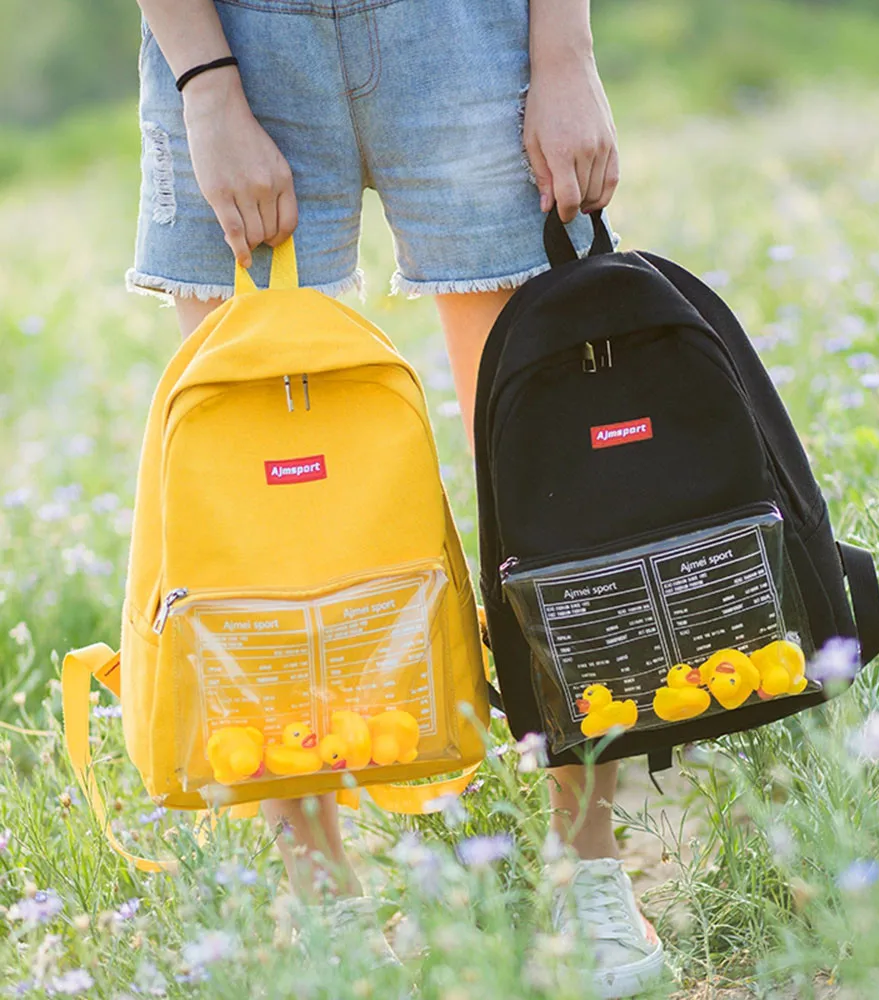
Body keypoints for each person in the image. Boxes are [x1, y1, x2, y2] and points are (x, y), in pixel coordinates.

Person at [129, 1, 663, 994]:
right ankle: (326, 900)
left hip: (464, 31)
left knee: (547, 482)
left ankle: (592, 870)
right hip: (237, 41)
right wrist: (205, 84)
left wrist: (565, 53)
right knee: (260, 516)